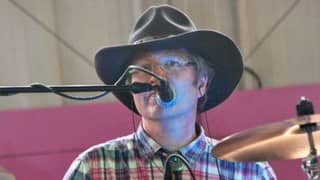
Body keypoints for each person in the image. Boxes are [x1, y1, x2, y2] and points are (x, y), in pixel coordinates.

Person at [64, 4, 277, 179]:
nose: (156, 76)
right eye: (143, 68)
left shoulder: (249, 171)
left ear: (201, 84)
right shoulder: (93, 167)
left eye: (172, 63)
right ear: (130, 86)